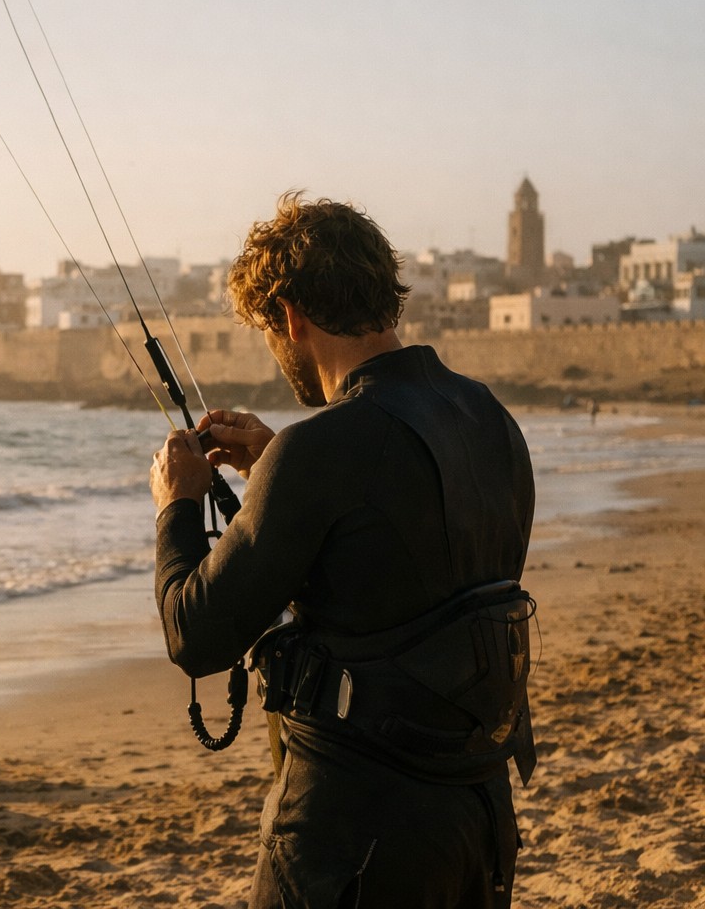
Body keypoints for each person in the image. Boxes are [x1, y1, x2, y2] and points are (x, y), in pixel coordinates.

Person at [149, 192, 536, 908]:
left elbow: (193, 633)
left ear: (291, 316)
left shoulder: (321, 449)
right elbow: (409, 565)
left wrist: (176, 503)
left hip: (351, 840)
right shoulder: (489, 417)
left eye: (272, 330)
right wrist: (276, 465)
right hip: (475, 822)